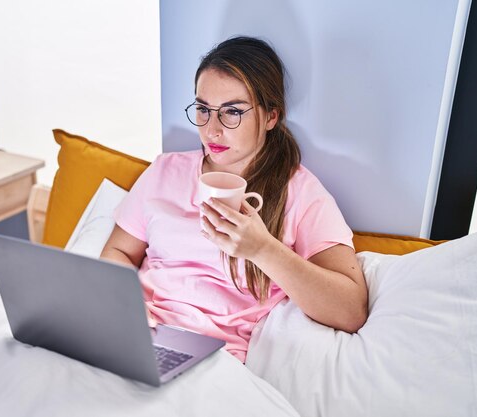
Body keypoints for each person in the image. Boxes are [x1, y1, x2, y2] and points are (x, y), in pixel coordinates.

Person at [100, 36, 368, 363]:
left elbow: (350, 310)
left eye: (232, 112)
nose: (212, 130)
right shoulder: (164, 171)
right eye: (203, 109)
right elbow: (117, 250)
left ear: (271, 116)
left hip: (212, 359)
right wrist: (125, 302)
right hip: (136, 333)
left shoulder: (301, 193)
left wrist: (263, 249)